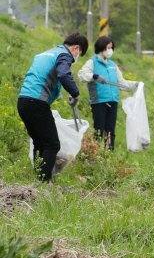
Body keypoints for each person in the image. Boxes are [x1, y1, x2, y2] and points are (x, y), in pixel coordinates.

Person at [17, 32, 89, 182]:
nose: (76, 58)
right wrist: (76, 94)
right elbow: (64, 75)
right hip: (36, 102)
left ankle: (39, 180)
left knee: (39, 142)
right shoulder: (64, 55)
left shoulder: (46, 54)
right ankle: (44, 182)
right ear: (76, 48)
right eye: (79, 54)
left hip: (23, 101)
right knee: (52, 144)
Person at [78, 36, 138, 150]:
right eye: (108, 48)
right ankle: (94, 153)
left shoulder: (112, 65)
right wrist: (94, 76)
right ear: (101, 48)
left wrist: (136, 85)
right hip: (99, 102)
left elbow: (122, 83)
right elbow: (82, 75)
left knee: (110, 131)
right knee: (99, 130)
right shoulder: (92, 62)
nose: (110, 50)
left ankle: (108, 154)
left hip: (113, 101)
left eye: (111, 48)